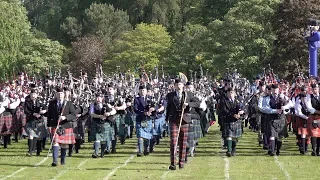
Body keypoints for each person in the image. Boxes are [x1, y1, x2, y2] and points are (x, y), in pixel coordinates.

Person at [166, 78, 199, 170]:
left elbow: (197, 103)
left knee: (183, 143)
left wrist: (188, 104)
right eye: (177, 84)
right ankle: (173, 163)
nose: (178, 86)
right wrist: (167, 118)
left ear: (183, 85)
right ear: (175, 86)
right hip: (173, 120)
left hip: (184, 120)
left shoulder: (188, 94)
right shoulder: (170, 95)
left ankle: (181, 162)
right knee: (173, 142)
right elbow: (168, 107)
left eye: (180, 84)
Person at [47, 87, 77, 166]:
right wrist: (48, 126)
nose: (60, 95)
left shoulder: (69, 103)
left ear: (64, 94)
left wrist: (65, 117)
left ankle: (63, 160)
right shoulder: (51, 103)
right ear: (56, 94)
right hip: (55, 125)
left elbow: (74, 115)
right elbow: (49, 115)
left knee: (64, 144)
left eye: (61, 93)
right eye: (58, 93)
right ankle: (55, 161)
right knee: (55, 142)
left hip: (66, 125)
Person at [220, 88, 244, 157]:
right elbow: (224, 111)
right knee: (229, 136)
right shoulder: (224, 102)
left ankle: (233, 149)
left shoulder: (237, 101)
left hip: (236, 121)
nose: (230, 94)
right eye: (229, 93)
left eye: (232, 93)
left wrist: (241, 112)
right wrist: (233, 115)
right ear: (227, 94)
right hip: (228, 120)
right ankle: (229, 151)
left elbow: (241, 108)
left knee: (234, 137)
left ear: (234, 94)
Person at [24, 89, 47, 156]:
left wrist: (44, 111)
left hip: (39, 121)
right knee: (31, 135)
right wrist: (33, 114)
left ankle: (38, 150)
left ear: (36, 95)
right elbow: (26, 111)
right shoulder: (27, 102)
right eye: (32, 94)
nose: (33, 96)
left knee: (39, 136)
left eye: (34, 94)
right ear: (30, 95)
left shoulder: (40, 102)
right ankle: (30, 151)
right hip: (30, 120)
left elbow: (46, 108)